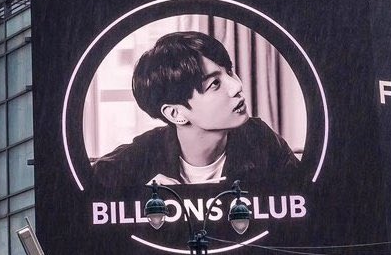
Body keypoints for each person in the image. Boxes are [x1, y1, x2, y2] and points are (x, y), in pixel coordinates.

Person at [91, 31, 301, 190]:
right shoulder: (142, 156)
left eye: (229, 72)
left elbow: (305, 202)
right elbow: (87, 194)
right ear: (176, 113)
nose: (237, 86)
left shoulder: (260, 141)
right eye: (214, 84)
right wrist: (140, 197)